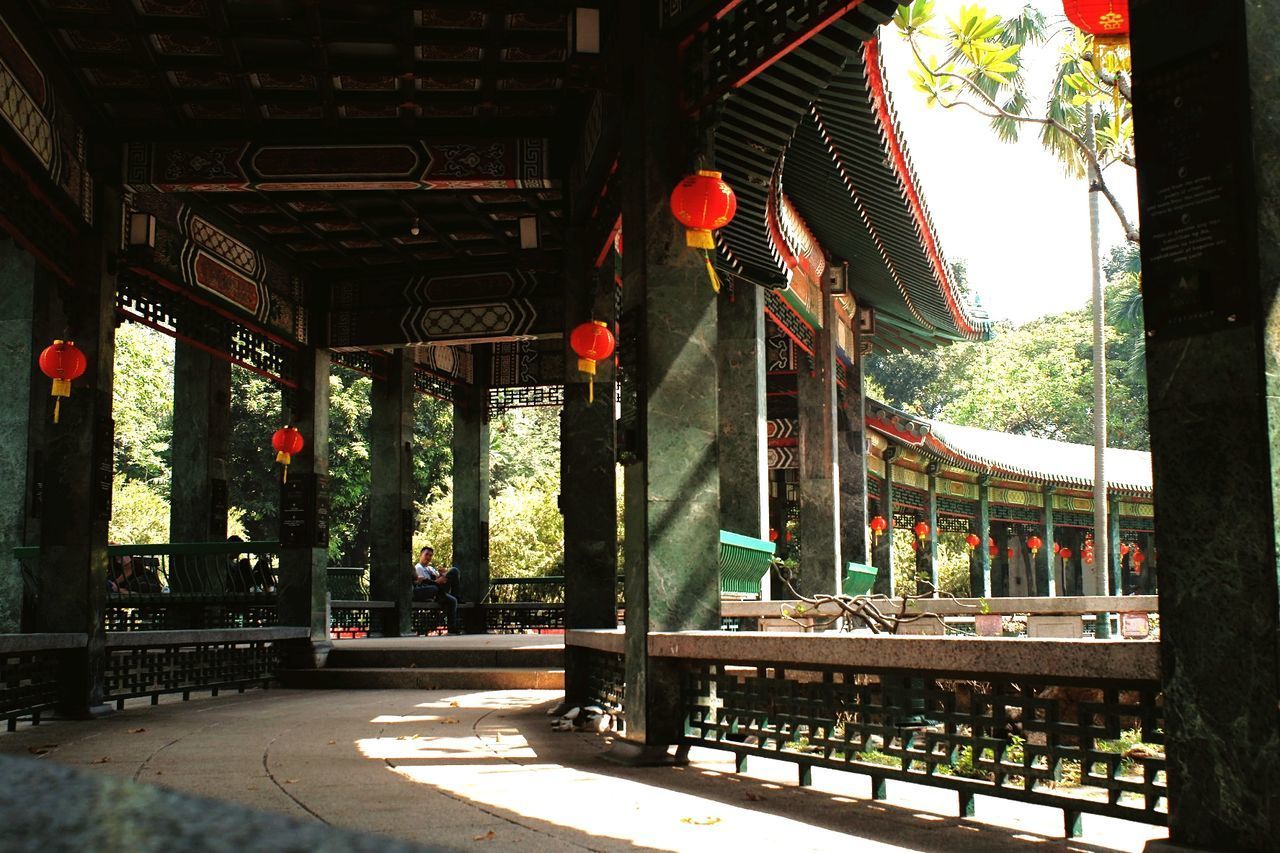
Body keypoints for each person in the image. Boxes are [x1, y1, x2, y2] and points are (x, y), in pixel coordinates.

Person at [412, 546, 461, 635]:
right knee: (454, 571)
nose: (428, 557)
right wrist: (437, 581)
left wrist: (443, 575)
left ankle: (452, 627)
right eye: (426, 554)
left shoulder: (431, 568)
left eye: (430, 555)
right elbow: (423, 583)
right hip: (431, 591)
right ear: (421, 555)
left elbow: (439, 579)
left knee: (453, 599)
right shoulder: (418, 568)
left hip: (440, 592)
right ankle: (453, 596)